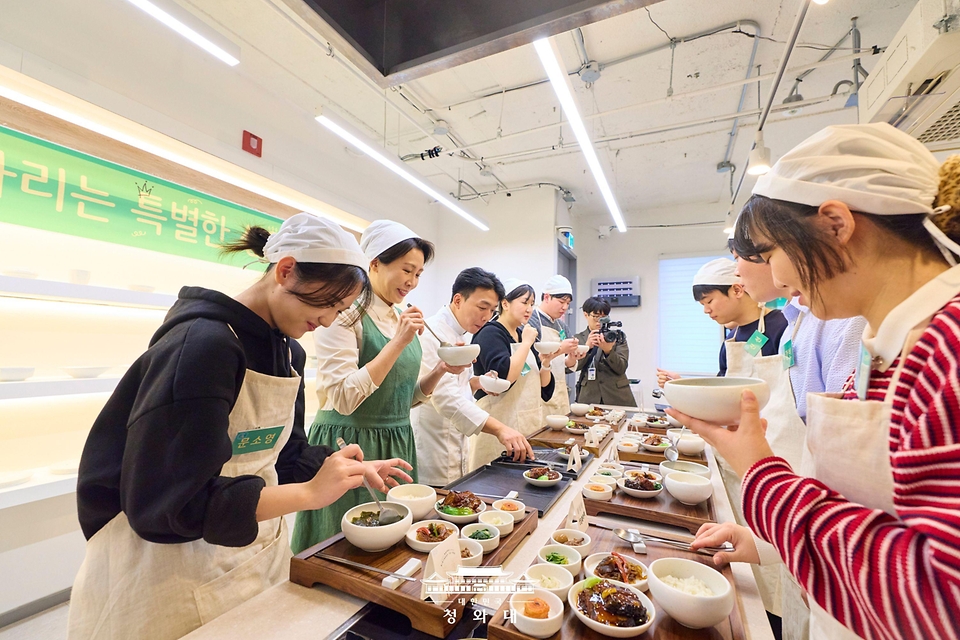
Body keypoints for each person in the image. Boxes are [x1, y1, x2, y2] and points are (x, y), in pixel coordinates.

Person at [674, 124, 960, 640]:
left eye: (770, 251)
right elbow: (872, 512)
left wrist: (761, 475)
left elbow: (941, 600)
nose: (775, 279)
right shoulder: (889, 347)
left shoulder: (948, 345)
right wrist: (770, 543)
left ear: (835, 223)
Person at [68, 214, 414, 640]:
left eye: (339, 311)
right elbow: (166, 504)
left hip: (249, 555)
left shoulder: (289, 353)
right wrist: (308, 494)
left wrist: (340, 467)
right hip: (163, 568)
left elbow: (281, 454)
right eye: (324, 304)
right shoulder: (201, 346)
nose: (327, 321)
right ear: (285, 271)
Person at [291, 220, 467, 553]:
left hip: (396, 443)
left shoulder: (398, 316)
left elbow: (401, 398)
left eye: (418, 274)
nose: (412, 282)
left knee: (392, 551)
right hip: (351, 443)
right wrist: (398, 342)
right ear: (374, 264)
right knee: (341, 549)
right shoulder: (343, 315)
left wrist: (441, 370)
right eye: (406, 270)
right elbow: (343, 398)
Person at [411, 268, 535, 486]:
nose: (486, 316)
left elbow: (458, 386)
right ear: (458, 300)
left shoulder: (463, 333)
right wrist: (500, 429)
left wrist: (476, 382)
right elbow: (445, 398)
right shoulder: (431, 334)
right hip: (433, 450)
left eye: (491, 310)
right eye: (482, 307)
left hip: (457, 445)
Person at [468, 279, 558, 470]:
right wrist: (525, 344)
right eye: (524, 302)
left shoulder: (521, 333)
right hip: (498, 433)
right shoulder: (490, 333)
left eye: (532, 304)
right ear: (505, 303)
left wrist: (546, 363)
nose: (529, 309)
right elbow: (504, 378)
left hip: (526, 430)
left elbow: (545, 390)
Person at [657, 258, 788, 383]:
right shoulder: (731, 340)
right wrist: (681, 385)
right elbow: (721, 392)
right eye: (703, 305)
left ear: (737, 290)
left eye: (709, 301)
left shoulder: (783, 325)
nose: (706, 310)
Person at [527, 275, 583, 414]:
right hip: (540, 391)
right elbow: (533, 360)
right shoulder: (532, 320)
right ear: (546, 297)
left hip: (559, 392)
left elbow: (562, 366)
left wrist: (572, 358)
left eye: (568, 303)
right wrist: (561, 348)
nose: (565, 307)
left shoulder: (561, 325)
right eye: (561, 301)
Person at [573, 297, 636, 407]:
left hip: (617, 396)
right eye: (596, 316)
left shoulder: (616, 336)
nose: (599, 321)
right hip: (589, 396)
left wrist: (608, 351)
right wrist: (587, 348)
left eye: (603, 317)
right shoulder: (578, 338)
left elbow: (621, 367)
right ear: (586, 315)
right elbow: (572, 367)